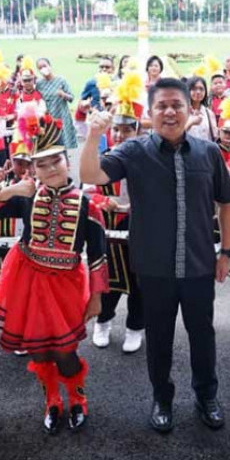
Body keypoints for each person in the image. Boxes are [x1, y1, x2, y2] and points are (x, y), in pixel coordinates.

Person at [80, 77, 230, 434]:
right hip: (154, 269)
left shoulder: (208, 153)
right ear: (151, 113)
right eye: (162, 106)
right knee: (159, 339)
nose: (170, 112)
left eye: (176, 105)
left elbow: (226, 204)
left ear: (187, 110)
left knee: (203, 336)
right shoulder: (135, 151)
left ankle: (206, 396)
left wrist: (226, 252)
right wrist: (92, 136)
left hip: (199, 265)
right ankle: (162, 399)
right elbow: (90, 173)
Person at [0, 115, 109, 435]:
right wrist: (8, 191)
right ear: (33, 168)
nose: (50, 169)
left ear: (67, 162)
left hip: (67, 286)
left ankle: (77, 399)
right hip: (28, 282)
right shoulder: (26, 196)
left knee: (65, 352)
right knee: (38, 349)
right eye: (42, 164)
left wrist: (98, 298)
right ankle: (51, 399)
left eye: (56, 161)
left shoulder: (88, 205)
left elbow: (99, 257)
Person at [88, 73, 145, 353]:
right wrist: (102, 201)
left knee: (138, 279)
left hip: (139, 226)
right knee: (106, 276)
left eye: (127, 129)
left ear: (137, 130)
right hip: (107, 226)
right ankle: (103, 322)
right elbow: (87, 190)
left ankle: (135, 327)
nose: (121, 135)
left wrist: (133, 207)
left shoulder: (147, 160)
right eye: (117, 129)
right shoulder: (104, 158)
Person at [36, 58, 77, 149]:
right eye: (40, 68)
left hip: (62, 117)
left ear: (49, 66)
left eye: (45, 66)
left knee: (64, 143)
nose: (43, 69)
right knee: (52, 144)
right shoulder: (39, 84)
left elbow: (72, 98)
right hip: (49, 120)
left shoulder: (61, 81)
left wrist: (63, 95)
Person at [186, 76, 218, 142]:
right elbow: (175, 136)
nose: (198, 92)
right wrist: (191, 122)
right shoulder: (181, 112)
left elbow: (215, 136)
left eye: (201, 89)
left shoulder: (209, 113)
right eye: (194, 89)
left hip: (205, 151)